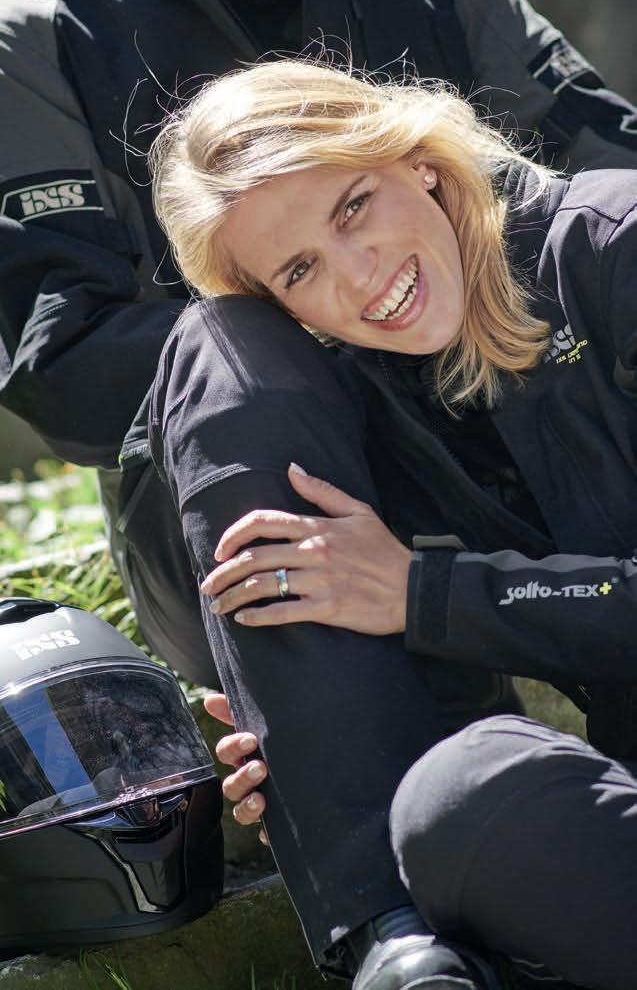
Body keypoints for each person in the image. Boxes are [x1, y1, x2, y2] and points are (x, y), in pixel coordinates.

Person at [1, 0, 636, 988]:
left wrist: (430, 308)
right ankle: (384, 931)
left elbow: (595, 177)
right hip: (245, 475)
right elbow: (63, 368)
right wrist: (339, 315)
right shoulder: (36, 39)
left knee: (480, 802)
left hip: (518, 433)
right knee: (231, 344)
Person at [148, 57, 637, 990]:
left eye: (352, 208)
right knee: (467, 799)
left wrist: (426, 593)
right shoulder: (381, 400)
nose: (360, 276)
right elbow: (450, 717)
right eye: (300, 270)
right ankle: (400, 954)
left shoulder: (614, 245)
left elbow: (447, 601)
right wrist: (307, 746)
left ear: (416, 160)